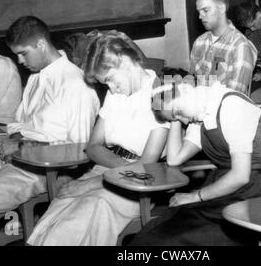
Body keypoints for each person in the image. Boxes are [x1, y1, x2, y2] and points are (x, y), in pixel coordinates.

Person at [0, 16, 100, 245]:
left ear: (41, 44)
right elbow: (18, 123)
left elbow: (79, 152)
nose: (19, 61)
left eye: (23, 53)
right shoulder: (37, 77)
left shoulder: (75, 86)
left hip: (43, 171)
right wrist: (17, 140)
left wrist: (21, 145)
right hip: (12, 158)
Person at [27, 33, 169, 246]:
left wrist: (93, 184)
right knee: (60, 206)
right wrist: (118, 170)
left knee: (82, 215)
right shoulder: (116, 93)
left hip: (139, 186)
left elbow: (147, 165)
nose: (111, 88)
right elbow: (93, 147)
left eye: (110, 79)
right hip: (109, 171)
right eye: (106, 83)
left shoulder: (161, 92)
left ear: (126, 61)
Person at [129, 79, 261, 246]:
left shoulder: (232, 106)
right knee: (155, 231)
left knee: (172, 239)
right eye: (177, 117)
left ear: (187, 91)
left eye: (179, 112)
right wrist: (174, 117)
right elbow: (174, 159)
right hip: (224, 188)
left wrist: (195, 196)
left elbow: (240, 176)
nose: (184, 122)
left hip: (253, 192)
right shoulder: (200, 112)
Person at [189, 0, 257, 95]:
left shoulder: (240, 46)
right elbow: (192, 83)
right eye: (199, 12)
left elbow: (235, 97)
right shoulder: (199, 42)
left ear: (222, 8)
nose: (200, 16)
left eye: (205, 10)